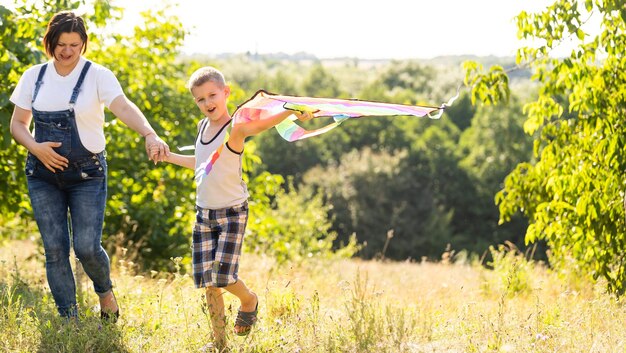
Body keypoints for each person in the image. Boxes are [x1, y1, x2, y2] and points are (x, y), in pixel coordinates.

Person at [9, 10, 170, 321]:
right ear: (50, 42)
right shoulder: (34, 76)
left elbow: (122, 106)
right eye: (61, 44)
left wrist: (150, 133)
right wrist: (36, 148)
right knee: (55, 250)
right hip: (42, 174)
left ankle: (104, 290)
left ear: (83, 44)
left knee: (85, 247)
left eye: (74, 44)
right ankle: (69, 320)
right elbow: (17, 124)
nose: (67, 51)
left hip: (87, 174)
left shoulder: (97, 75)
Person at [158, 66, 311, 349]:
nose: (207, 103)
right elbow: (202, 163)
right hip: (204, 213)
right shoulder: (202, 127)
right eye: (200, 99)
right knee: (210, 283)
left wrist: (292, 112)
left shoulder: (235, 129)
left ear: (226, 93)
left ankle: (248, 299)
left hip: (231, 213)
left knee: (224, 276)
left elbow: (261, 125)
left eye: (212, 95)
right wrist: (169, 157)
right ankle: (219, 344)